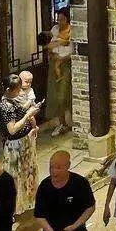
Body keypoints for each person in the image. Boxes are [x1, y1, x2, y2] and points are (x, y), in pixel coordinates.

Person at [34, 150, 96, 231]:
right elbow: (39, 215)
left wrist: (75, 226)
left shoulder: (80, 183)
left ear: (68, 166)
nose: (54, 171)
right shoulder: (44, 186)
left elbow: (90, 207)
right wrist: (48, 229)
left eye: (58, 168)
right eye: (51, 167)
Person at [0, 73, 39, 216]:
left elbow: (22, 112)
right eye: (18, 89)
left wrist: (31, 117)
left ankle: (26, 203)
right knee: (15, 178)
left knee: (27, 173)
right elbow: (12, 130)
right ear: (9, 90)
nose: (20, 91)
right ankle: (12, 209)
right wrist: (27, 115)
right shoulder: (5, 106)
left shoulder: (13, 100)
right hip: (15, 146)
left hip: (24, 141)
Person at [44, 8, 73, 137]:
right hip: (54, 64)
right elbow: (48, 46)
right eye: (58, 19)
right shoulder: (54, 30)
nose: (59, 22)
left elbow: (73, 50)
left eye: (62, 19)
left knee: (64, 95)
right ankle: (62, 123)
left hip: (66, 65)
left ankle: (73, 120)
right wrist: (53, 54)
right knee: (56, 96)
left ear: (67, 19)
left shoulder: (72, 30)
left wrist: (61, 58)